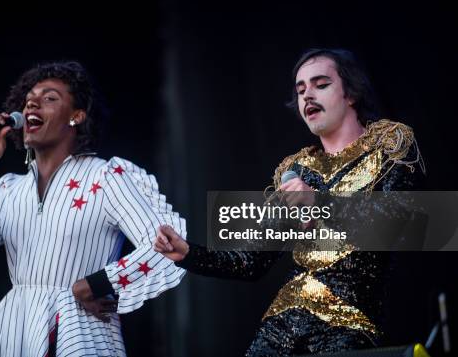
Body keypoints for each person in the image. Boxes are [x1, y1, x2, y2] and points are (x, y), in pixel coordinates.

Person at [155, 48, 425, 356]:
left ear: (350, 94)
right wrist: (189, 253)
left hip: (347, 324)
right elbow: (250, 262)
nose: (308, 95)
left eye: (320, 84)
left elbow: (396, 225)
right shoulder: (296, 171)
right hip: (278, 329)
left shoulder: (389, 146)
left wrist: (320, 203)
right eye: (300, 90)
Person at [0, 61, 186, 356]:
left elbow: (167, 245)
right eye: (28, 100)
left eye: (49, 98)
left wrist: (97, 283)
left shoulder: (105, 177)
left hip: (80, 333)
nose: (32, 103)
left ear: (76, 116)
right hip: (18, 331)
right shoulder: (8, 188)